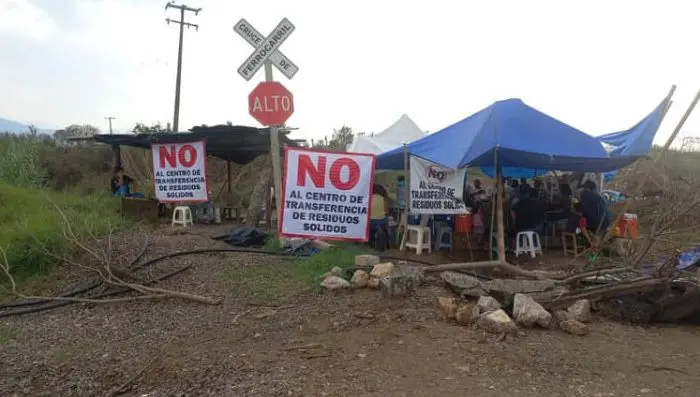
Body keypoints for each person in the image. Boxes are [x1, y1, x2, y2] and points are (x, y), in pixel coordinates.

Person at [369, 183, 391, 248]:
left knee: (371, 229)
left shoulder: (369, 198)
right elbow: (387, 212)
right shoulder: (385, 199)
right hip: (382, 222)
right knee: (386, 218)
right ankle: (387, 242)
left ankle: (371, 241)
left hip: (371, 222)